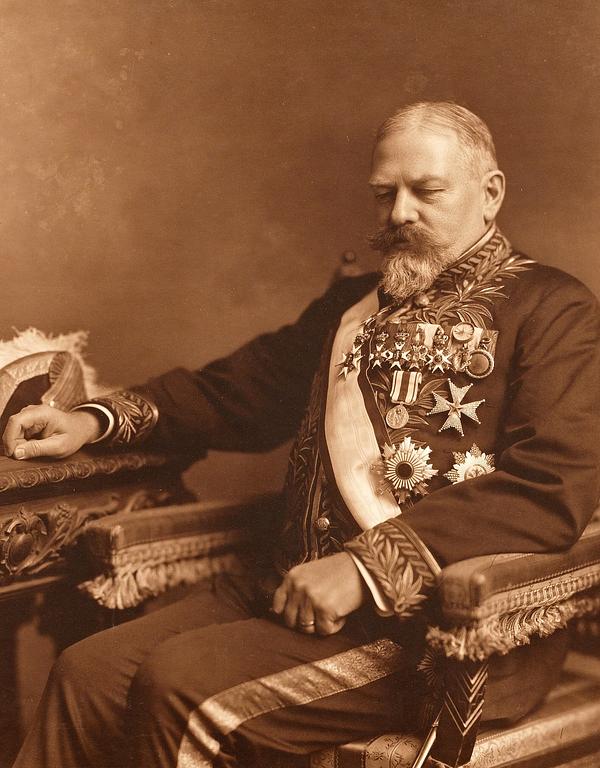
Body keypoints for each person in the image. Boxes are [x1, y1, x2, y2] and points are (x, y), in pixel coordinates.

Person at [4, 101, 600, 768]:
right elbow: (240, 391)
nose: (399, 213)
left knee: (181, 687)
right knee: (88, 672)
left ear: (490, 194)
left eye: (425, 191)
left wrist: (363, 568)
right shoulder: (351, 307)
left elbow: (551, 485)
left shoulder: (557, 310)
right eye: (384, 194)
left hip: (446, 632)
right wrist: (92, 420)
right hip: (291, 585)